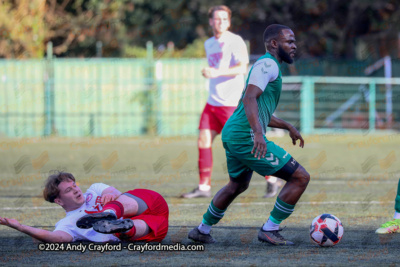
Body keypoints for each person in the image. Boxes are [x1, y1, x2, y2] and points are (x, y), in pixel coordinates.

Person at [188, 24, 310, 246]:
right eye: (289, 41)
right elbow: (249, 99)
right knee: (300, 177)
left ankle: (201, 230)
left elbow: (257, 110)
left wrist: (287, 125)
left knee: (237, 185)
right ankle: (270, 229)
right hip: (244, 136)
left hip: (235, 133)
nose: (294, 46)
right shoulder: (267, 65)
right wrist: (258, 134)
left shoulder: (269, 66)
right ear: (274, 44)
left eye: (294, 41)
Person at [181, 5, 251, 198]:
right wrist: (209, 72)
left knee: (241, 146)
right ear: (211, 21)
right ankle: (204, 187)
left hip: (231, 103)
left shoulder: (235, 41)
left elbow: (242, 68)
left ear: (229, 22)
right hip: (212, 103)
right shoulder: (209, 43)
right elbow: (215, 68)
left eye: (225, 19)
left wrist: (216, 72)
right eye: (217, 19)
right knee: (203, 140)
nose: (221, 23)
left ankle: (272, 178)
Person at [0, 171, 169, 243]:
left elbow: (116, 192)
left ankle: (110, 213)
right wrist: (20, 227)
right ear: (58, 201)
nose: (75, 190)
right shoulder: (67, 223)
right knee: (129, 230)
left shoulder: (95, 188)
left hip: (146, 204)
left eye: (74, 185)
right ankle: (118, 226)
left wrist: (111, 196)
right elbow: (54, 238)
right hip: (149, 228)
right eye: (68, 190)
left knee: (121, 202)